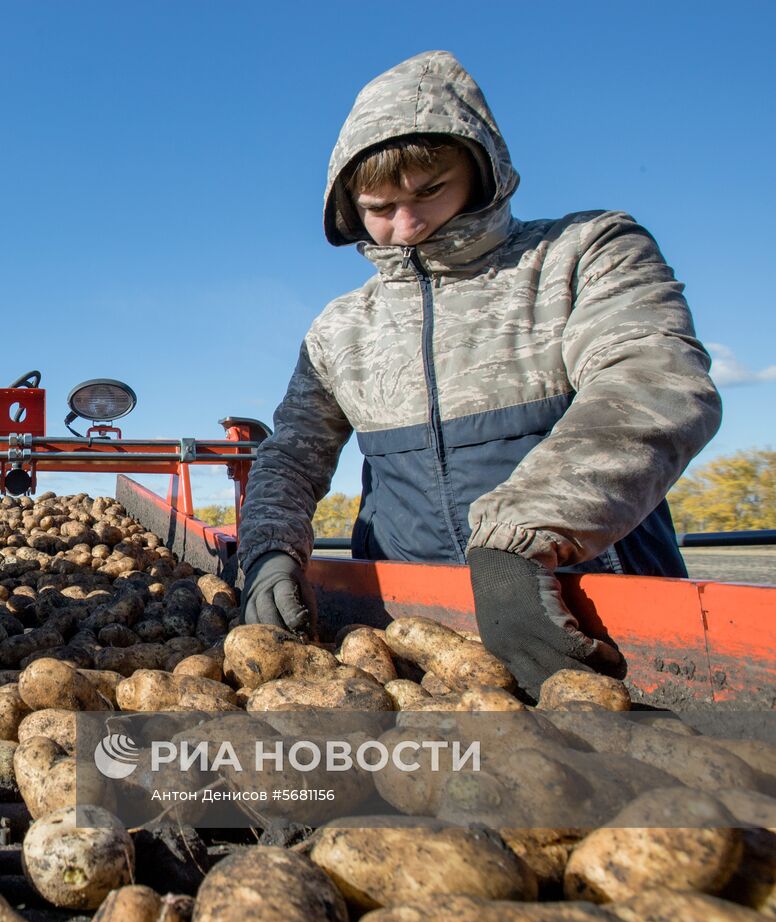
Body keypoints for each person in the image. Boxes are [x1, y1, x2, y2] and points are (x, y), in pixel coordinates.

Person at [237, 51, 721, 696]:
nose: (405, 226)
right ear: (349, 209)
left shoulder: (582, 255)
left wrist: (521, 540)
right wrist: (269, 551)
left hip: (588, 602)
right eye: (379, 206)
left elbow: (652, 381)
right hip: (410, 627)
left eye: (429, 191)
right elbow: (294, 453)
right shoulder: (340, 328)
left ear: (481, 170)